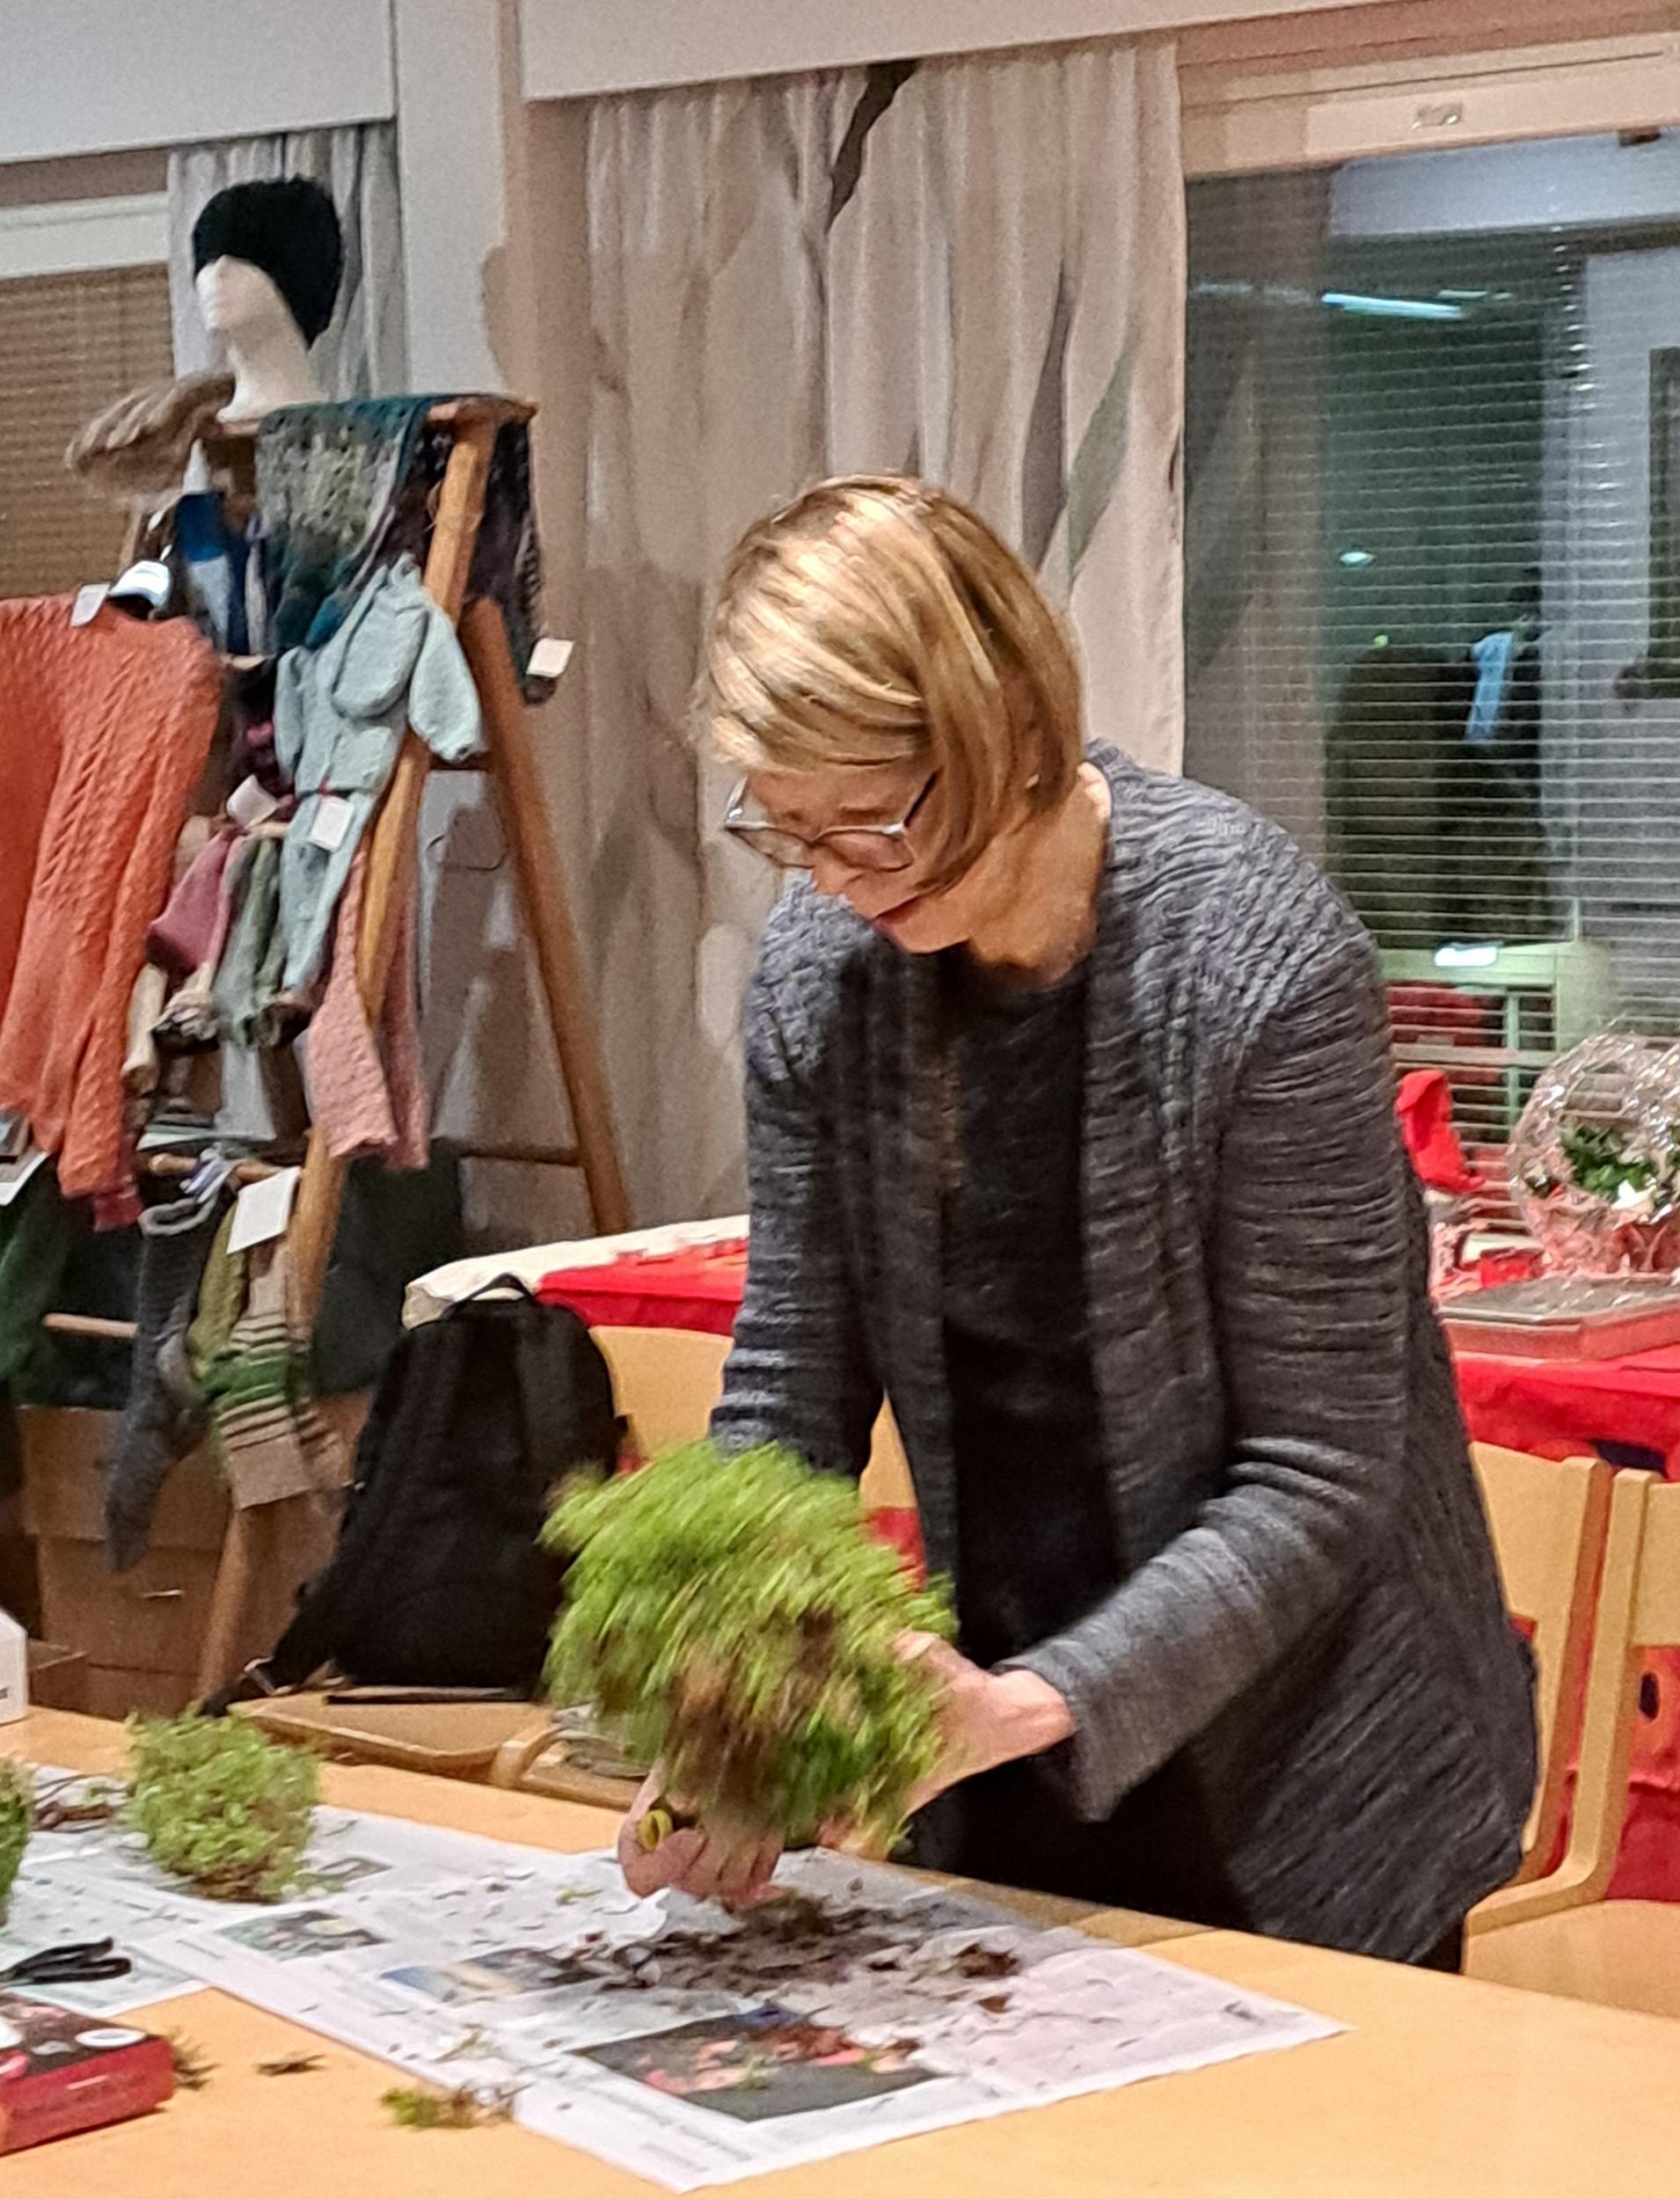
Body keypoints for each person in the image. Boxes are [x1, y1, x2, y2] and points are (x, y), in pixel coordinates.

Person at [618, 476, 1536, 1969]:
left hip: (1313, 1771)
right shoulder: (825, 975)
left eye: (872, 823)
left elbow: (1318, 1479)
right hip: (990, 1739)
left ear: (1004, 729)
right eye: (790, 834)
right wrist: (726, 1704)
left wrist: (1027, 1705)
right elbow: (788, 1392)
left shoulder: (1257, 959)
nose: (836, 882)